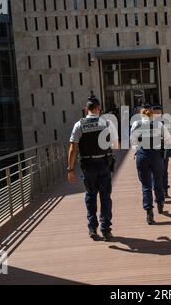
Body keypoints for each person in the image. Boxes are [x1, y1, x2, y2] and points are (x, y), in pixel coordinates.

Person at [67, 96, 119, 241]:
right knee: (105, 197)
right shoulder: (107, 123)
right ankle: (106, 230)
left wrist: (70, 169)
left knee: (90, 196)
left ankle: (92, 229)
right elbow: (116, 145)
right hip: (104, 165)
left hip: (88, 166)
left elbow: (73, 148)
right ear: (99, 109)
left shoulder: (79, 125)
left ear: (86, 110)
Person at [131, 105, 171, 225]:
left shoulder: (136, 124)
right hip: (156, 156)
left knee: (146, 186)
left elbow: (132, 141)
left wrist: (138, 148)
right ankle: (160, 203)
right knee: (158, 180)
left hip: (142, 156)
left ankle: (149, 213)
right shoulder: (158, 124)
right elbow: (168, 140)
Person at [152, 105, 171, 198]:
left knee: (164, 171)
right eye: (156, 113)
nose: (158, 114)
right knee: (156, 172)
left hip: (164, 150)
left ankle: (165, 190)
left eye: (159, 113)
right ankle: (158, 191)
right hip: (154, 151)